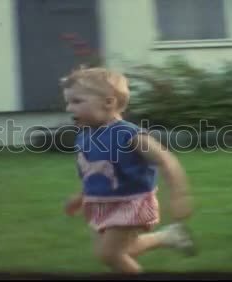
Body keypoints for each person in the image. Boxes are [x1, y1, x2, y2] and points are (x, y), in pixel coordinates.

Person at [61, 67, 196, 274]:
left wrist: (179, 195)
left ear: (109, 102)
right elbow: (93, 174)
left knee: (110, 255)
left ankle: (168, 237)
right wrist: (81, 197)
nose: (69, 108)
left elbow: (167, 161)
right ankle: (169, 237)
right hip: (99, 203)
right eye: (68, 102)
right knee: (122, 251)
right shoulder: (84, 136)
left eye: (77, 101)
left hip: (131, 203)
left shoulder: (129, 135)